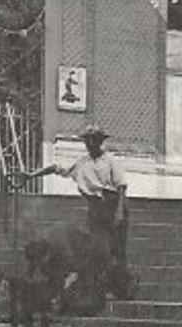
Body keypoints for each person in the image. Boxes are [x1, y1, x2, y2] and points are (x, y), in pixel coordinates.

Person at [19, 125, 129, 314]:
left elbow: (121, 188)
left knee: (116, 250)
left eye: (94, 140)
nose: (90, 144)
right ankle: (94, 294)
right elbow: (56, 168)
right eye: (88, 140)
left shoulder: (111, 161)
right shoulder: (82, 163)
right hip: (96, 210)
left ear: (101, 141)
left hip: (113, 205)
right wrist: (31, 175)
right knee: (97, 250)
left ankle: (122, 288)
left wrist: (118, 213)